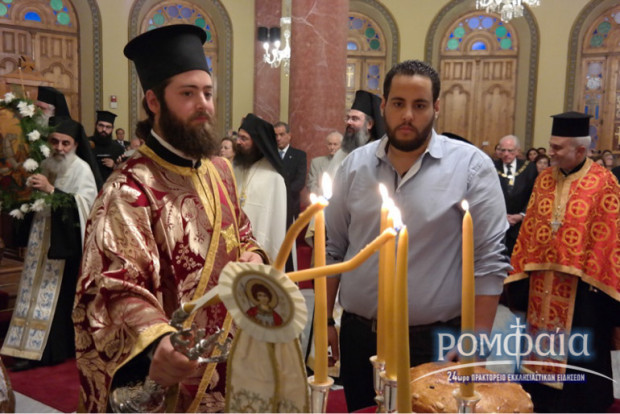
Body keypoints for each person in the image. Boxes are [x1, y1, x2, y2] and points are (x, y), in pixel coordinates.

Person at [73, 25, 267, 413]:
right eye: (188, 94)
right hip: (174, 374)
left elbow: (242, 233)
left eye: (207, 93)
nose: (204, 105)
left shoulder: (219, 170)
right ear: (154, 101)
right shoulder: (129, 189)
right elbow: (114, 286)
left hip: (231, 359)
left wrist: (255, 257)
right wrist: (156, 339)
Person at [325, 60, 510, 411]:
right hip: (360, 335)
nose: (408, 115)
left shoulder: (470, 167)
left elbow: (489, 262)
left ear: (436, 107)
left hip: (434, 340)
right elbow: (332, 247)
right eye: (398, 103)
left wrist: (477, 340)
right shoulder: (355, 166)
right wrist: (323, 322)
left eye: (420, 105)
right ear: (383, 106)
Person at [507, 111, 620, 413]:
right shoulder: (544, 179)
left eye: (558, 147)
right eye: (551, 145)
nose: (551, 152)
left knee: (580, 367)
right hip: (541, 286)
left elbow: (610, 239)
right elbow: (530, 229)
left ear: (580, 150)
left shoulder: (604, 183)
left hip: (583, 292)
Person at [1, 116, 98, 371]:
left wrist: (52, 190)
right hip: (40, 239)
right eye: (55, 142)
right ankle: (23, 345)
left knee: (53, 298)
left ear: (75, 145)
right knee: (30, 292)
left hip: (63, 245)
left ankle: (48, 351)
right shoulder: (44, 164)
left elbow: (86, 206)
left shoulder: (81, 169)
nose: (59, 148)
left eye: (66, 143)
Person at [234, 114, 287, 262]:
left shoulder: (274, 178)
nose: (238, 142)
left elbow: (276, 228)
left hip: (259, 252)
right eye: (238, 137)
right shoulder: (235, 170)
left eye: (244, 138)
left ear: (258, 143)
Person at [494, 135, 538, 256]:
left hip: (521, 224)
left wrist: (521, 215)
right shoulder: (492, 166)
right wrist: (501, 216)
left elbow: (533, 194)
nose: (506, 154)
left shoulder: (529, 168)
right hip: (497, 223)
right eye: (503, 150)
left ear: (518, 151)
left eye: (510, 150)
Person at [326, 90, 386, 178]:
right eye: (348, 118)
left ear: (369, 124)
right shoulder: (342, 152)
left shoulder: (377, 153)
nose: (349, 122)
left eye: (354, 119)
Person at [274, 121, 307, 226]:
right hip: (272, 202)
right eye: (275, 135)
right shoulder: (269, 156)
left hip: (290, 202)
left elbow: (300, 182)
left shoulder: (299, 155)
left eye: (281, 134)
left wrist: (282, 191)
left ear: (289, 136)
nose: (278, 138)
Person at [89, 110, 124, 182]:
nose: (104, 129)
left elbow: (123, 173)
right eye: (101, 125)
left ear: (112, 129)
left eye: (108, 127)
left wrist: (114, 166)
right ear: (96, 125)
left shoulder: (118, 148)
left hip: (109, 185)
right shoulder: (86, 143)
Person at [307, 131, 342, 195]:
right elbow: (311, 185)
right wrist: (327, 194)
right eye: (330, 144)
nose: (332, 147)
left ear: (341, 146)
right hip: (322, 198)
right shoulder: (316, 162)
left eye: (335, 144)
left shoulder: (347, 162)